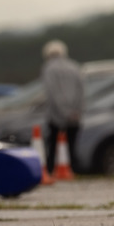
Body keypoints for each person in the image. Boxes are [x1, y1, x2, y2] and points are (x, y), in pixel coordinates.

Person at [40, 39, 84, 174]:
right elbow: (81, 91)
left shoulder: (49, 68)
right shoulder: (75, 66)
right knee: (72, 145)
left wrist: (64, 112)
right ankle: (74, 170)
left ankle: (50, 170)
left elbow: (52, 93)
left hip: (56, 115)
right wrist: (77, 111)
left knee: (53, 145)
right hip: (75, 114)